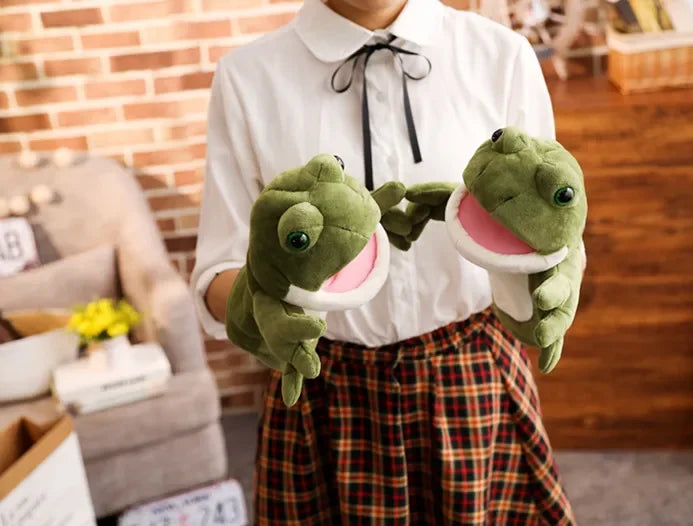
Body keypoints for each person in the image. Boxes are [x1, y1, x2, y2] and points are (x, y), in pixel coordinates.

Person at [190, 0, 576, 523]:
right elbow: (218, 270)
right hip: (324, 392)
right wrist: (257, 304)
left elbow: (553, 221)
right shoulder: (248, 78)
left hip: (474, 375)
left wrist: (558, 272)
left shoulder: (500, 55)